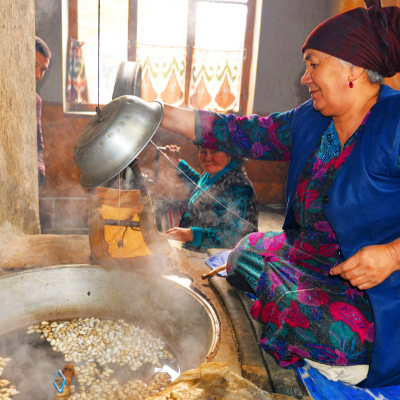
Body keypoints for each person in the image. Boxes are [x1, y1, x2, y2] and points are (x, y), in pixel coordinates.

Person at [157, 0, 400, 388]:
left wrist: (391, 254)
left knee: (326, 326)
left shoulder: (395, 124)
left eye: (313, 63)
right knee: (243, 255)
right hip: (305, 261)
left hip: (371, 293)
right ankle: (282, 292)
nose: (306, 77)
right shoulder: (311, 118)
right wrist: (157, 113)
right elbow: (243, 132)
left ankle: (338, 348)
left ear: (352, 68)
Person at [164, 144, 258, 252]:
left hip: (223, 261)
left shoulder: (240, 187)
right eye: (203, 151)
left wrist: (191, 234)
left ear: (230, 154)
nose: (207, 158)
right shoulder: (214, 173)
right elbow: (200, 186)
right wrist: (177, 162)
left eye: (214, 151)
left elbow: (233, 237)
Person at [35, 36, 51, 185]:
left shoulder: (36, 101)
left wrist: (40, 169)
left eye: (42, 69)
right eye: (34, 65)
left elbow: (38, 144)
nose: (37, 75)